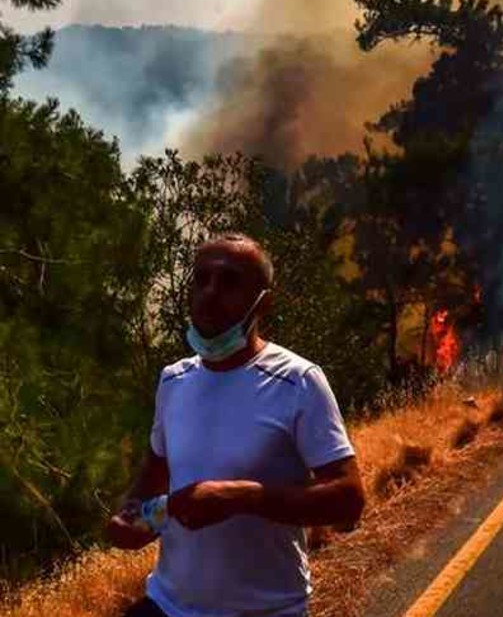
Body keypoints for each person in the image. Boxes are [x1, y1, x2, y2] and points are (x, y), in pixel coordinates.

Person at [105, 233, 365, 617]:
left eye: (229, 281)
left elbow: (349, 499)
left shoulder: (299, 382)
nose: (210, 292)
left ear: (264, 303)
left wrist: (244, 497)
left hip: (265, 611)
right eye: (201, 279)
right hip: (167, 605)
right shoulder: (173, 380)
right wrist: (131, 518)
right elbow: (155, 474)